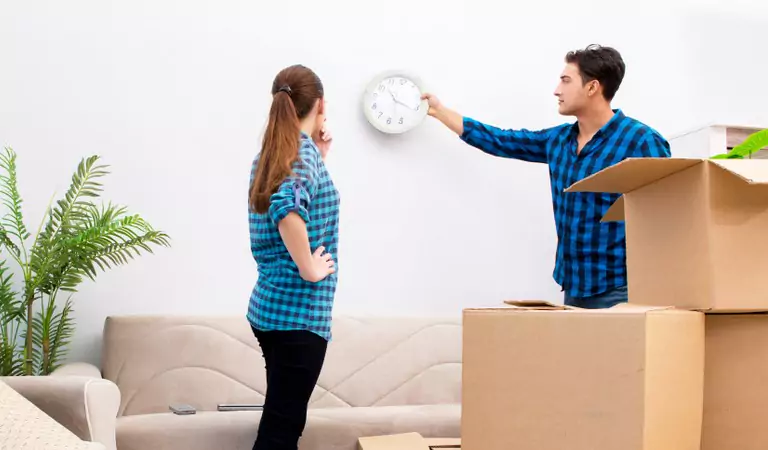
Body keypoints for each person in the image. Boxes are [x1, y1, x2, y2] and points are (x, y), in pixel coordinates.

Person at [421, 44, 670, 309]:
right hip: (573, 286)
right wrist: (440, 112)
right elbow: (501, 140)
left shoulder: (641, 141)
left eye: (566, 80)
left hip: (621, 289)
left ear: (592, 87)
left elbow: (666, 214)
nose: (556, 90)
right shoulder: (559, 140)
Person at [246, 64, 339, 450]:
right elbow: (287, 208)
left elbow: (296, 201)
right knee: (282, 431)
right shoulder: (300, 156)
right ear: (321, 104)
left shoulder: (276, 152)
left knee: (280, 422)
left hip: (272, 310)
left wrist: (320, 155)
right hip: (298, 317)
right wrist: (310, 268)